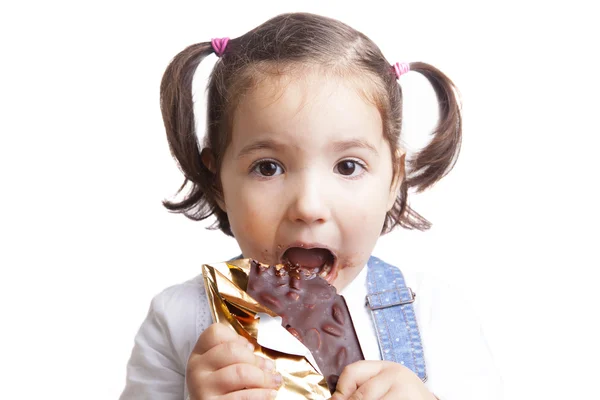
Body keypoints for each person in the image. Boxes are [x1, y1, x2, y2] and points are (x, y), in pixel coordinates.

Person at [119, 12, 502, 400]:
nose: (308, 206)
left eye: (347, 166)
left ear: (393, 180)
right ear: (218, 181)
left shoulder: (438, 315)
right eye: (268, 168)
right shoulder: (179, 321)